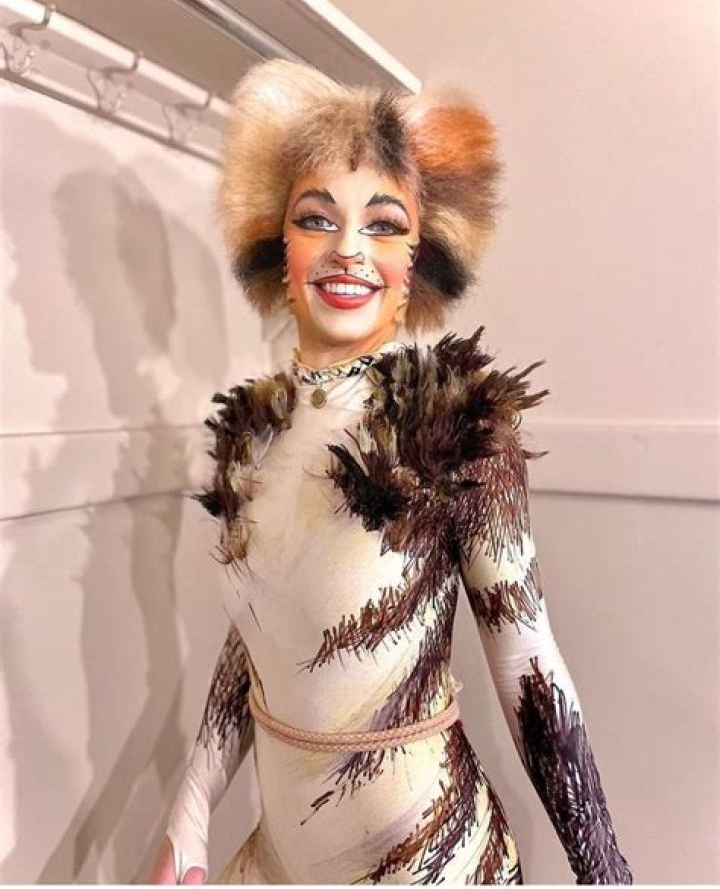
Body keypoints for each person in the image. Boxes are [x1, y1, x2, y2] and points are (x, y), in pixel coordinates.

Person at [149, 59, 632, 885]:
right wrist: (188, 816)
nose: (348, 249)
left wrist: (605, 871)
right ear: (278, 244)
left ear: (421, 254)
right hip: (279, 861)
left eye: (382, 223)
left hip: (430, 861)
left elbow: (528, 663)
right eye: (316, 218)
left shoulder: (457, 433)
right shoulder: (255, 434)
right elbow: (264, 629)